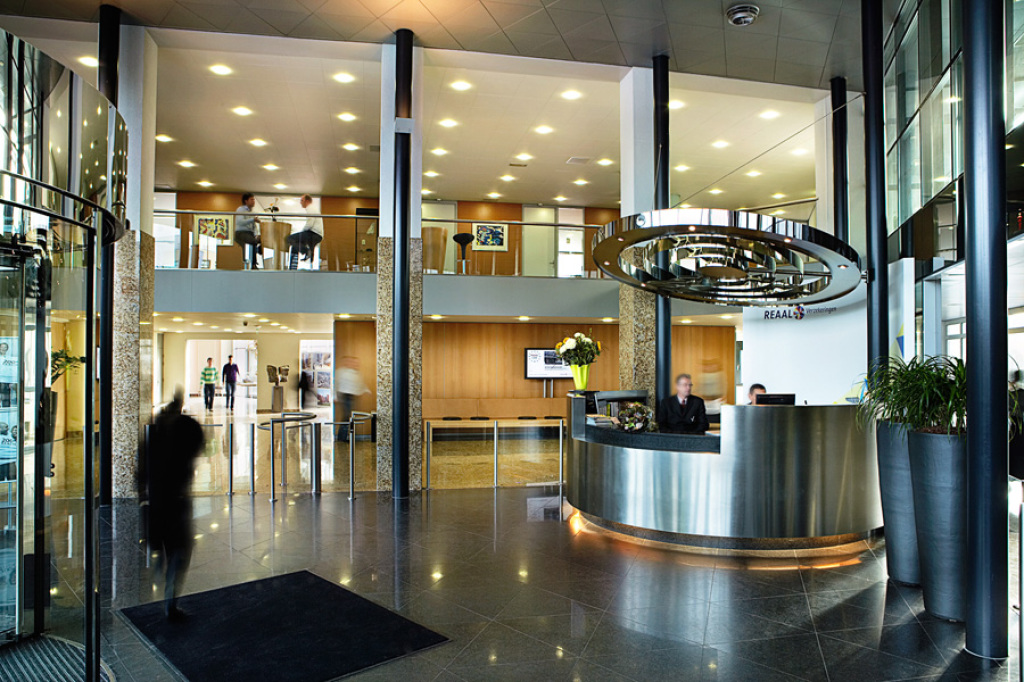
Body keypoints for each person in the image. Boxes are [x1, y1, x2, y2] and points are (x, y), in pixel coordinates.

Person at [142, 389, 204, 621]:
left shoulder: (155, 434)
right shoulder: (183, 430)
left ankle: (159, 565)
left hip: (157, 501)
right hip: (176, 502)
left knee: (164, 543)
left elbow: (143, 470)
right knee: (180, 550)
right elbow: (194, 450)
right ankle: (171, 598)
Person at [335, 357, 369, 441]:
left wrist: (367, 390)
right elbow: (335, 384)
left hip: (353, 396)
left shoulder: (357, 373)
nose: (355, 364)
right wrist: (335, 396)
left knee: (350, 416)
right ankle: (342, 437)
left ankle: (346, 436)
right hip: (345, 396)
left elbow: (361, 384)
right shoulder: (341, 372)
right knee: (347, 416)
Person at [287, 194, 323, 269]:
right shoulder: (313, 208)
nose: (300, 202)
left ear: (307, 201)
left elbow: (310, 223)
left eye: (302, 200)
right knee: (296, 245)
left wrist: (302, 232)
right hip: (317, 235)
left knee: (290, 238)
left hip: (313, 233)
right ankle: (295, 265)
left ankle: (305, 252)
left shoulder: (310, 208)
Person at [234, 192, 260, 269]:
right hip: (241, 232)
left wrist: (256, 233)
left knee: (259, 240)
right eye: (251, 199)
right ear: (246, 201)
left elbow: (253, 226)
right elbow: (240, 222)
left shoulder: (252, 212)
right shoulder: (240, 209)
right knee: (253, 241)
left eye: (254, 199)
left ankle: (255, 258)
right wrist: (252, 219)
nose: (253, 201)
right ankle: (252, 264)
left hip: (250, 233)